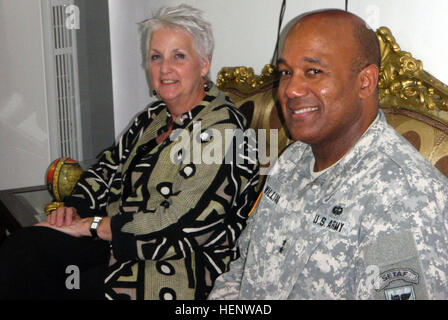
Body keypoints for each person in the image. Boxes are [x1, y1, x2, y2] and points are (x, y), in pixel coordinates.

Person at [0, 4, 259, 300]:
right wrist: (75, 209)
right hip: (117, 241)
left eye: (179, 56)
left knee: (73, 287)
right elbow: (107, 167)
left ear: (203, 64)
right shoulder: (153, 117)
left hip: (180, 263)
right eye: (156, 57)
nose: (165, 69)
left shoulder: (224, 130)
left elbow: (180, 226)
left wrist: (92, 226)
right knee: (24, 250)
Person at [208, 9, 448, 300]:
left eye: (314, 72)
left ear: (365, 82)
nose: (292, 89)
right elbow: (242, 270)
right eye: (286, 73)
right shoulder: (294, 159)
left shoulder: (402, 197)